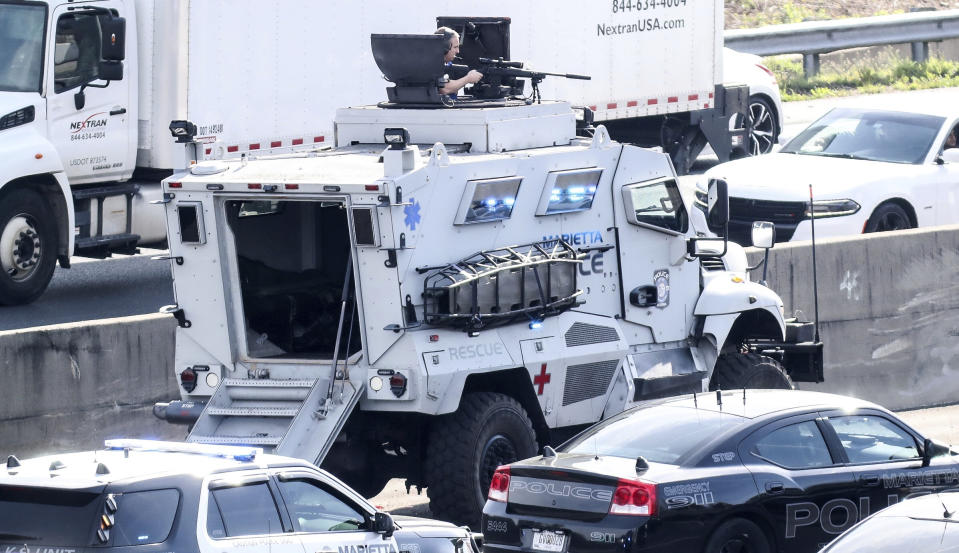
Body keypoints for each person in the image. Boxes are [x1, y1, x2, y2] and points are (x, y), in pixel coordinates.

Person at [435, 27, 482, 96]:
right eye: (455, 47)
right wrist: (468, 78)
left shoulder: (437, 63)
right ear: (445, 48)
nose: (458, 51)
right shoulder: (432, 65)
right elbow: (444, 88)